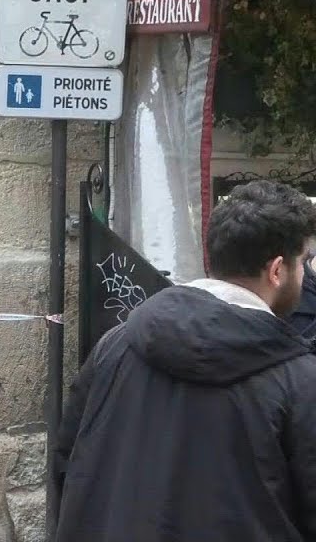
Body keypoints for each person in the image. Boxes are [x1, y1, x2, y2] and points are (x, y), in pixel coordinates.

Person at [54, 180, 316, 542]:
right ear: (276, 271)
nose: (306, 274)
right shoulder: (299, 381)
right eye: (304, 262)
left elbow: (67, 463)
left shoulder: (115, 345)